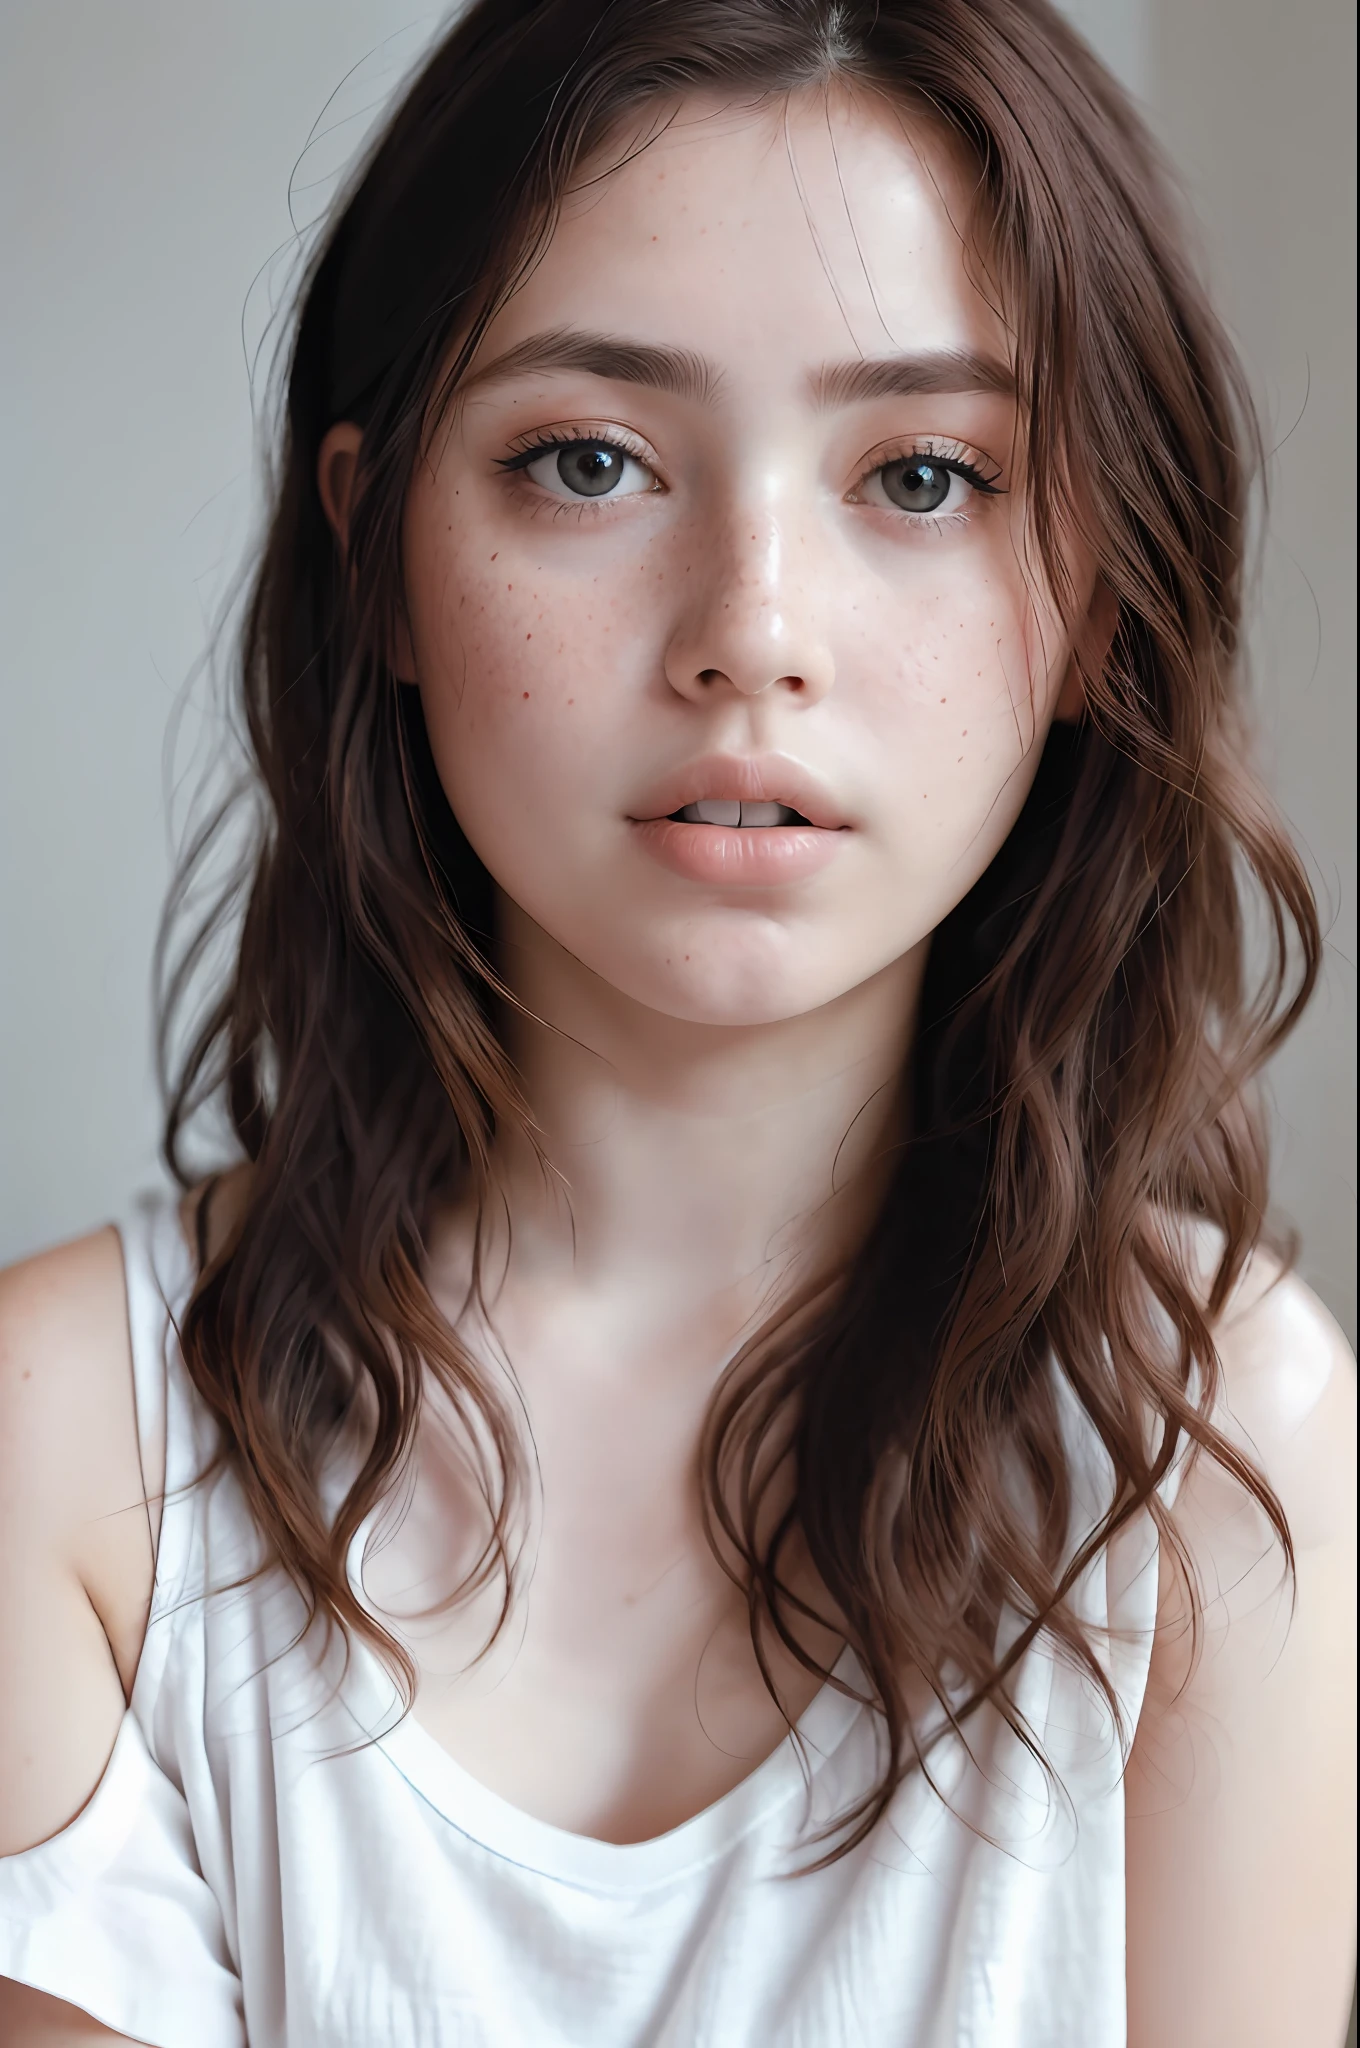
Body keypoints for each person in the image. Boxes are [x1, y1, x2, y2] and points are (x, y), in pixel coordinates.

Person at [1, 1, 1354, 2041]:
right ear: (369, 546)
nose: (751, 633)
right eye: (589, 460)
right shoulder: (61, 1458)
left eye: (919, 473)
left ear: (1096, 596)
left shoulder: (1212, 1433)